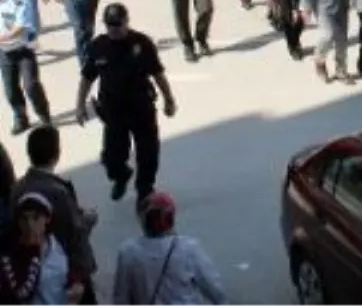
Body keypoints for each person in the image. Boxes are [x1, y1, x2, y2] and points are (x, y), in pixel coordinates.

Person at [76, 3, 177, 204]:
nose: (114, 29)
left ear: (126, 21)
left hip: (141, 107)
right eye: (110, 25)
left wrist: (169, 99)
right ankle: (121, 175)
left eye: (118, 24)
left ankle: (145, 189)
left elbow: (158, 73)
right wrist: (79, 105)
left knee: (147, 152)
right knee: (111, 157)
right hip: (113, 111)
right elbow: (87, 78)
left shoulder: (142, 43)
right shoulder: (99, 46)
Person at [12, 126, 97, 299]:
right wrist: (88, 219)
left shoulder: (17, 189)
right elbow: (75, 233)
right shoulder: (59, 192)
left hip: (28, 268)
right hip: (63, 272)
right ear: (56, 155)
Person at [112, 191, 229, 305]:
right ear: (171, 218)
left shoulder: (128, 252)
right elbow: (216, 291)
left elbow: (121, 298)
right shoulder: (188, 249)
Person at [0, 192, 80, 304]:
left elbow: (71, 273)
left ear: (47, 219)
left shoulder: (58, 246)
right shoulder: (11, 254)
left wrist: (76, 285)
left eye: (36, 218)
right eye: (24, 219)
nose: (30, 225)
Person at [0, 0, 50, 134]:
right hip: (4, 51)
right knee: (10, 89)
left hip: (23, 49)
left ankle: (44, 116)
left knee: (31, 85)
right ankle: (21, 119)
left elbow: (20, 27)